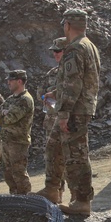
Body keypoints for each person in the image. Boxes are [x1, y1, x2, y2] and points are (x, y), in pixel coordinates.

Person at [52, 7, 101, 216]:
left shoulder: (74, 48)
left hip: (75, 109)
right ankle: (79, 198)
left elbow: (72, 84)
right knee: (78, 153)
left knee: (76, 156)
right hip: (83, 107)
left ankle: (81, 201)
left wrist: (64, 113)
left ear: (67, 25)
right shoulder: (90, 46)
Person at [0, 70, 34, 194]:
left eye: (11, 80)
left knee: (18, 172)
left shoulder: (25, 99)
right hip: (7, 141)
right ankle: (15, 197)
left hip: (18, 142)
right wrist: (3, 113)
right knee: (8, 172)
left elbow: (10, 118)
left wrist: (3, 115)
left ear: (19, 81)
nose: (8, 83)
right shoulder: (11, 99)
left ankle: (25, 199)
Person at [38, 38, 67, 203]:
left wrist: (54, 98)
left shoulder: (71, 73)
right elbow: (41, 93)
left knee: (67, 158)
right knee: (53, 158)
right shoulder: (52, 73)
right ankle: (57, 193)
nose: (55, 54)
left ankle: (78, 198)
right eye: (53, 52)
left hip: (65, 120)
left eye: (58, 51)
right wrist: (46, 97)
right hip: (51, 121)